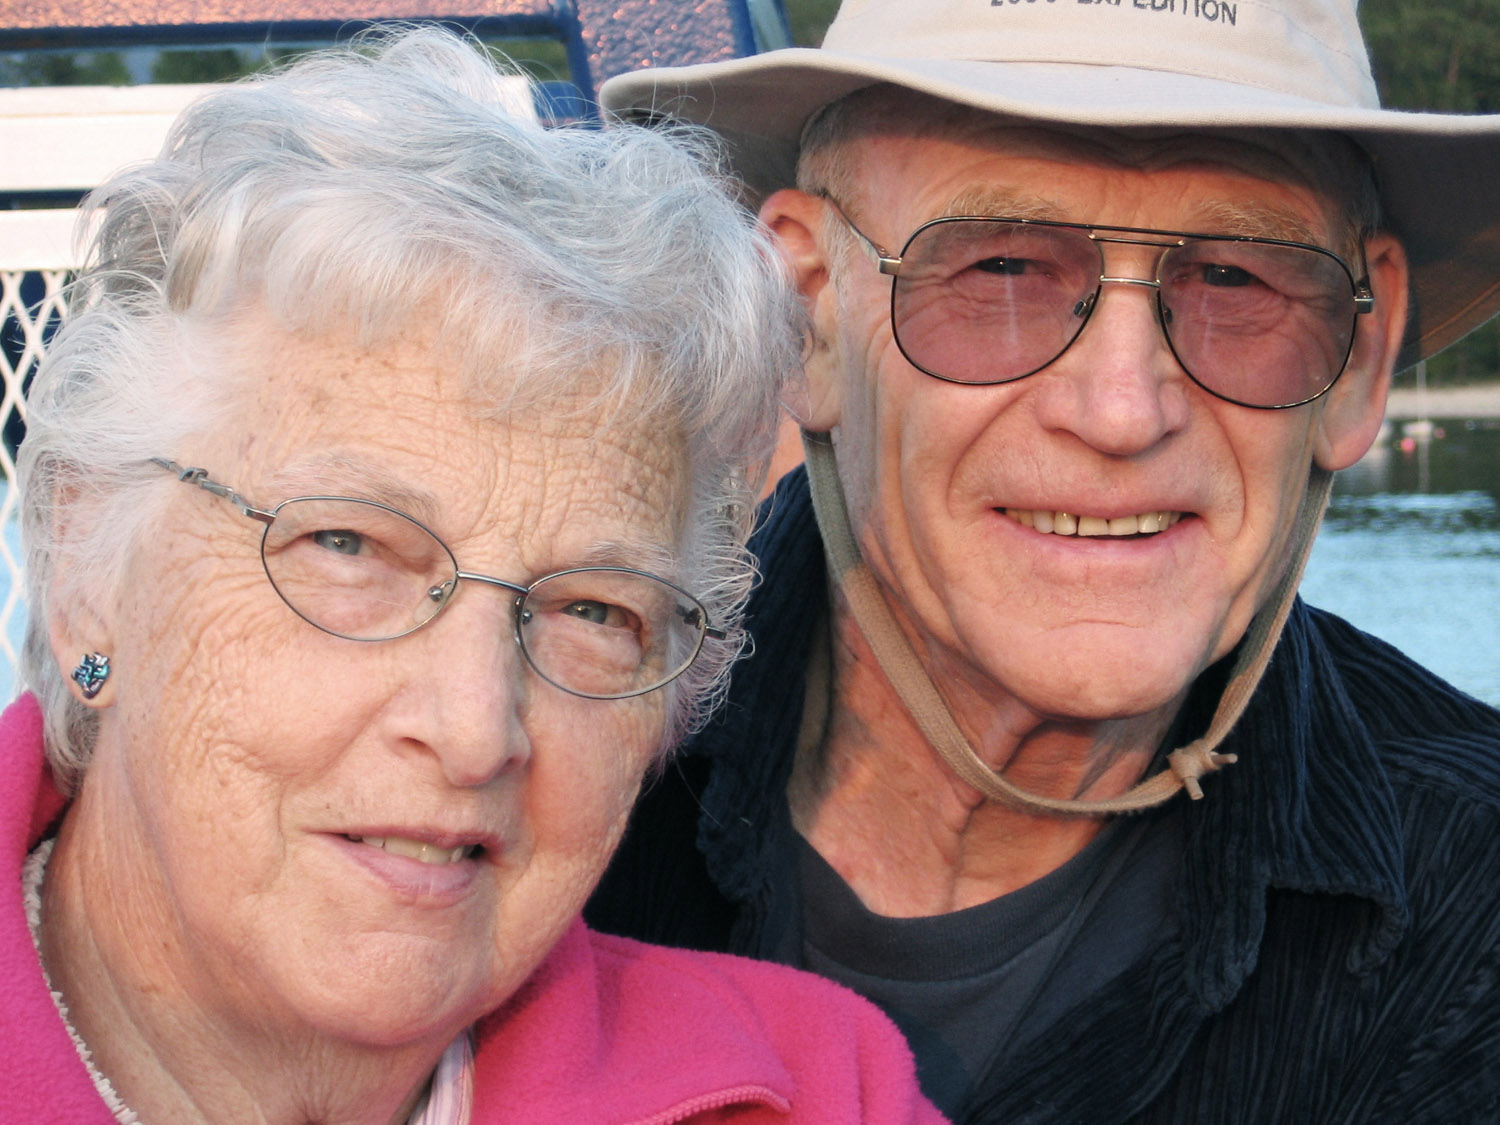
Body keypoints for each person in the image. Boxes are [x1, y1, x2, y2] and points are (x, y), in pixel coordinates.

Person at [0, 29, 949, 1125]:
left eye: (594, 609)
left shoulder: (812, 1092)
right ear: (84, 571)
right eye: (349, 546)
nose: (473, 729)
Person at [586, 1, 1500, 1120]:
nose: (1123, 409)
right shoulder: (537, 759)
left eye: (1234, 282)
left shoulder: (1477, 909)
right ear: (811, 319)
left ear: (1359, 359)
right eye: (1002, 268)